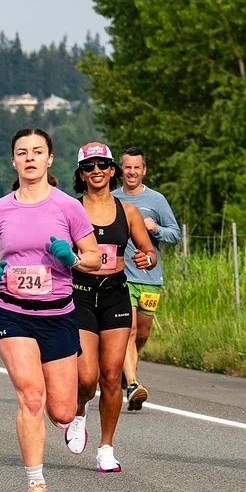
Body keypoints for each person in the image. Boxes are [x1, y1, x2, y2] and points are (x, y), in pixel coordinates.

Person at [0, 127, 102, 492]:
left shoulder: (68, 207)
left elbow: (94, 256)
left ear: (50, 160)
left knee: (61, 409)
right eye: (22, 152)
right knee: (31, 396)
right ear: (13, 160)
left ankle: (77, 414)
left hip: (59, 313)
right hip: (12, 312)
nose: (29, 157)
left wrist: (73, 259)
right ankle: (35, 486)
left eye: (37, 151)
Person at [64, 142, 158, 473]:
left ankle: (106, 446)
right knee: (87, 377)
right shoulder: (70, 210)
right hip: (80, 293)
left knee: (111, 376)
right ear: (81, 174)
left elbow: (150, 253)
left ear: (112, 169)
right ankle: (79, 410)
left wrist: (146, 258)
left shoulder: (128, 211)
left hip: (116, 293)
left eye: (103, 164)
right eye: (89, 167)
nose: (97, 171)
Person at [113, 147, 180, 410]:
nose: (131, 172)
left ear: (144, 170)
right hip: (121, 277)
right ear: (121, 170)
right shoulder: (111, 199)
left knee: (142, 333)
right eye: (127, 167)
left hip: (151, 278)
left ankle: (124, 369)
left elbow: (175, 234)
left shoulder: (157, 200)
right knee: (127, 332)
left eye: (136, 167)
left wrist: (156, 229)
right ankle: (132, 385)